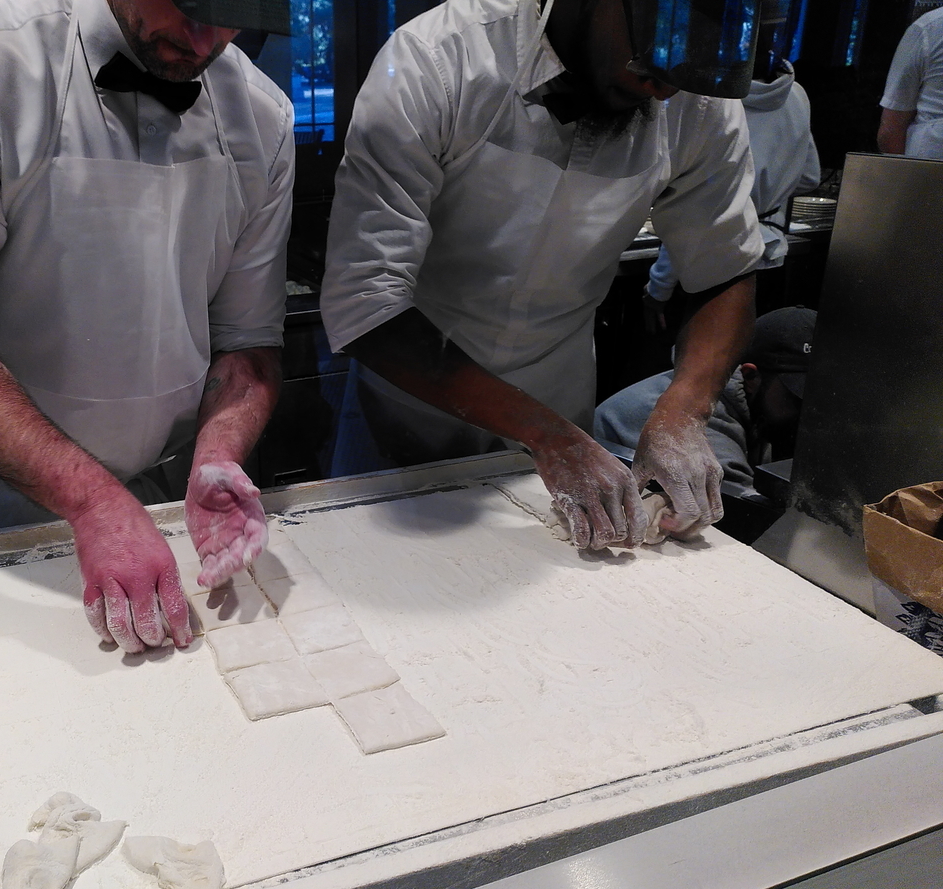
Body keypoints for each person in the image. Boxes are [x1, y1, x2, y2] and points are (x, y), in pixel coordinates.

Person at [0, 0, 295, 653]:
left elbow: (248, 342)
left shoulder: (262, 118)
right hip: (22, 502)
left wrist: (218, 456)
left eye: (235, 16)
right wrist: (94, 502)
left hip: (177, 493)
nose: (206, 38)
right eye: (187, 4)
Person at [319, 0, 765, 550]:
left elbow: (724, 271)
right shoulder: (438, 59)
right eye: (652, 58)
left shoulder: (693, 100)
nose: (664, 91)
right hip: (407, 406)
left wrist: (685, 410)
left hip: (561, 411)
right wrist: (547, 435)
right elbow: (366, 300)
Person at [643, 13, 821, 329]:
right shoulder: (798, 95)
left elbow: (697, 214)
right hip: (774, 257)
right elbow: (810, 177)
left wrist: (658, 288)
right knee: (750, 368)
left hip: (714, 271)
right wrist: (771, 196)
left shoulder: (711, 102)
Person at [595, 307, 816, 499]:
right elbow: (737, 502)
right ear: (750, 375)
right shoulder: (701, 418)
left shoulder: (761, 406)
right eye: (797, 397)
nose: (808, 413)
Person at [879, 7, 943, 159]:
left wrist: (902, 179)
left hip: (926, 172)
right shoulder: (929, 28)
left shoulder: (929, 28)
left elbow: (891, 130)